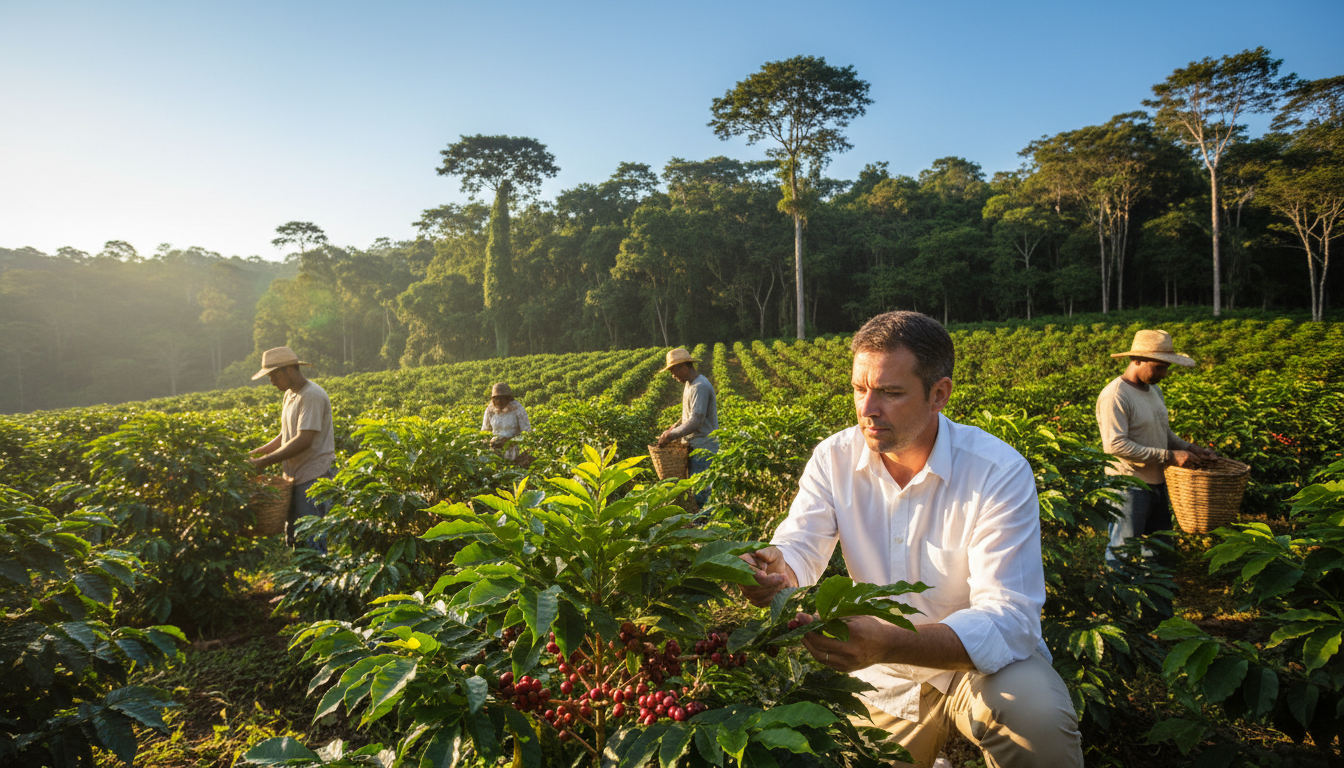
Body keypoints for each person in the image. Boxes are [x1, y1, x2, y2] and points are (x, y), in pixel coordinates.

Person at [738, 311, 1082, 768]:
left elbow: (1009, 619)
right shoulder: (834, 459)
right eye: (859, 389)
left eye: (891, 392)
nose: (867, 408)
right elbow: (801, 544)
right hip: (885, 674)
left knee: (1037, 720)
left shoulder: (996, 471)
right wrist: (776, 568)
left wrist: (892, 640)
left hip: (981, 668)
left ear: (939, 394)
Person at [1097, 329, 1217, 562]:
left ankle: (1156, 595)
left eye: (1166, 367)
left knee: (1158, 548)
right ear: (1137, 360)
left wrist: (1191, 448)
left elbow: (1163, 432)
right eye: (1159, 367)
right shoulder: (1115, 395)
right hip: (1128, 484)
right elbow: (1116, 445)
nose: (1164, 373)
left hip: (1158, 484)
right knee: (1123, 548)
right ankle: (1117, 595)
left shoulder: (1153, 390)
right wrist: (1170, 457)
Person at [247, 347, 335, 550]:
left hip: (312, 478)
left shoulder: (311, 396)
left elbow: (304, 440)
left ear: (288, 370)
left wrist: (264, 462)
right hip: (294, 478)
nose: (271, 381)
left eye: (274, 375)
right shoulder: (290, 395)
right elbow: (285, 435)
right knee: (295, 538)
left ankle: (319, 580)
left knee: (310, 540)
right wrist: (256, 454)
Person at [656, 348, 719, 504]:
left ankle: (706, 524)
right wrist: (672, 430)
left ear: (684, 367)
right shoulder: (690, 385)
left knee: (702, 490)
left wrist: (672, 435)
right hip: (695, 446)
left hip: (704, 447)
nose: (673, 375)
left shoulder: (699, 386)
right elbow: (689, 416)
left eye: (673, 371)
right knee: (697, 488)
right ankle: (702, 522)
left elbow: (696, 421)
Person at [481, 383, 531, 461]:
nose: (498, 401)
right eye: (496, 398)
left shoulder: (517, 409)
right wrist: (488, 442)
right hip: (495, 450)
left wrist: (509, 441)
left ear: (508, 398)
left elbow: (526, 432)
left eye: (501, 398)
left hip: (514, 450)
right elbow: (484, 431)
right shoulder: (490, 410)